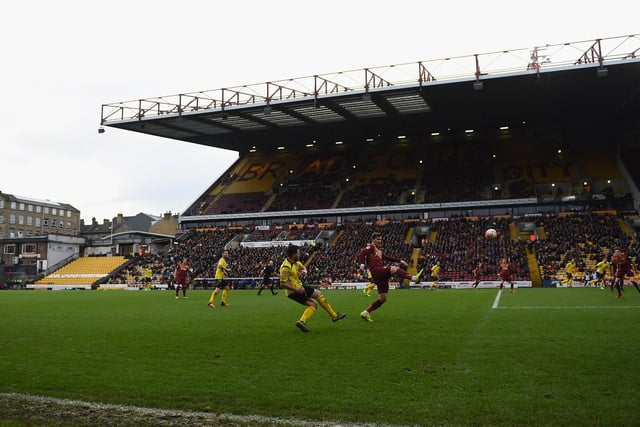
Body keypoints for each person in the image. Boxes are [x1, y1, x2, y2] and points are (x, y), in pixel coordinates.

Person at [359, 232, 424, 322]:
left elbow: (387, 257)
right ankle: (413, 278)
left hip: (380, 276)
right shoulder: (371, 247)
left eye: (380, 239)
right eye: (378, 239)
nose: (380, 241)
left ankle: (366, 312)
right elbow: (362, 253)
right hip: (377, 271)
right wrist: (362, 264)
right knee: (394, 269)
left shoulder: (379, 251)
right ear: (373, 240)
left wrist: (400, 260)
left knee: (383, 298)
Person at [280, 244, 346, 332]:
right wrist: (296, 290)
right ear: (293, 255)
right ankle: (333, 316)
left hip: (300, 287)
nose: (300, 255)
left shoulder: (296, 263)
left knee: (317, 298)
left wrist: (304, 271)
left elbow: (303, 268)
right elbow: (282, 284)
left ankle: (303, 321)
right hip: (294, 291)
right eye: (298, 253)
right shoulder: (285, 267)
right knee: (314, 302)